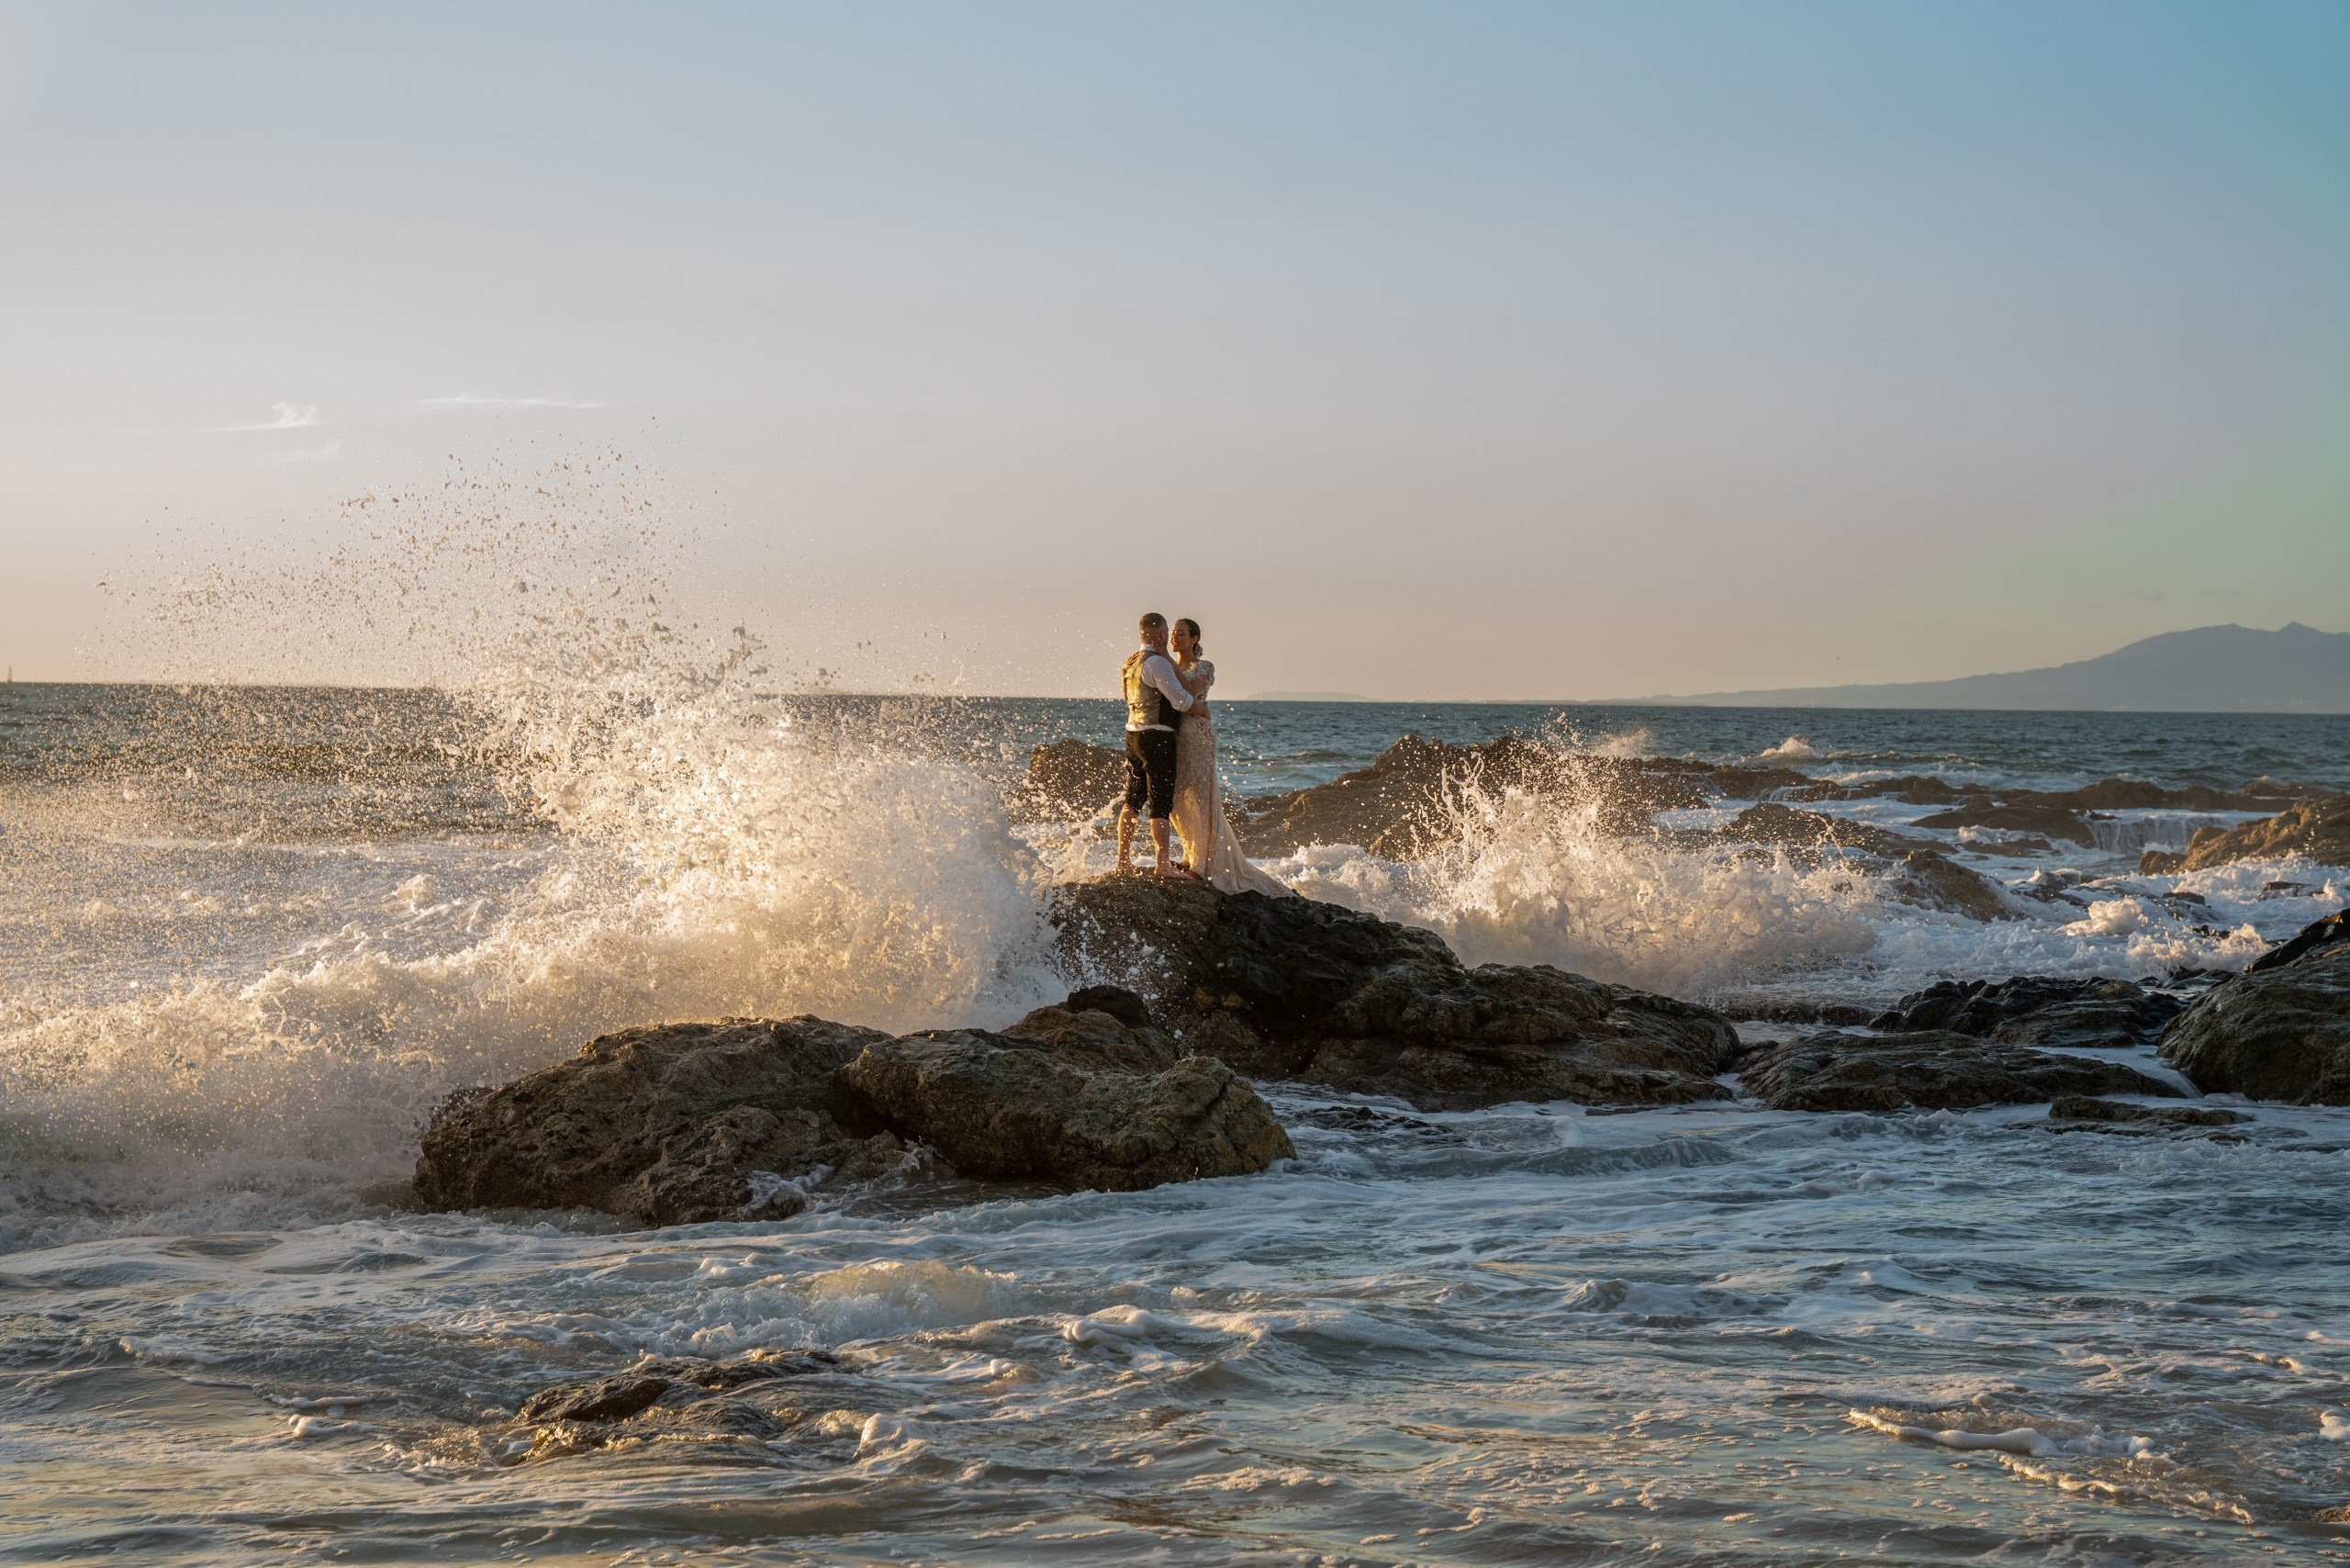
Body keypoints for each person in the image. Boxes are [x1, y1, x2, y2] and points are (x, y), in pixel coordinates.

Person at [1167, 618, 1295, 898]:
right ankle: (1191, 852)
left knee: (1202, 797)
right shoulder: (1167, 666)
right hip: (1176, 738)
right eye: (1173, 633)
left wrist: (1167, 661)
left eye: (1181, 633)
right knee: (1178, 798)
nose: (1175, 637)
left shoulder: (1204, 667)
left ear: (1194, 639)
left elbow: (1191, 691)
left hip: (1199, 737)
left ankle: (1202, 863)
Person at [1114, 612, 1203, 878]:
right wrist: (1201, 710)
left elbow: (1128, 698)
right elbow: (1180, 701)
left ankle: (1122, 861)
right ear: (1162, 634)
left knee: (1132, 800)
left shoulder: (1130, 662)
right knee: (1160, 804)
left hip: (1132, 736)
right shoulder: (1157, 663)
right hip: (1157, 737)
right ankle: (1162, 864)